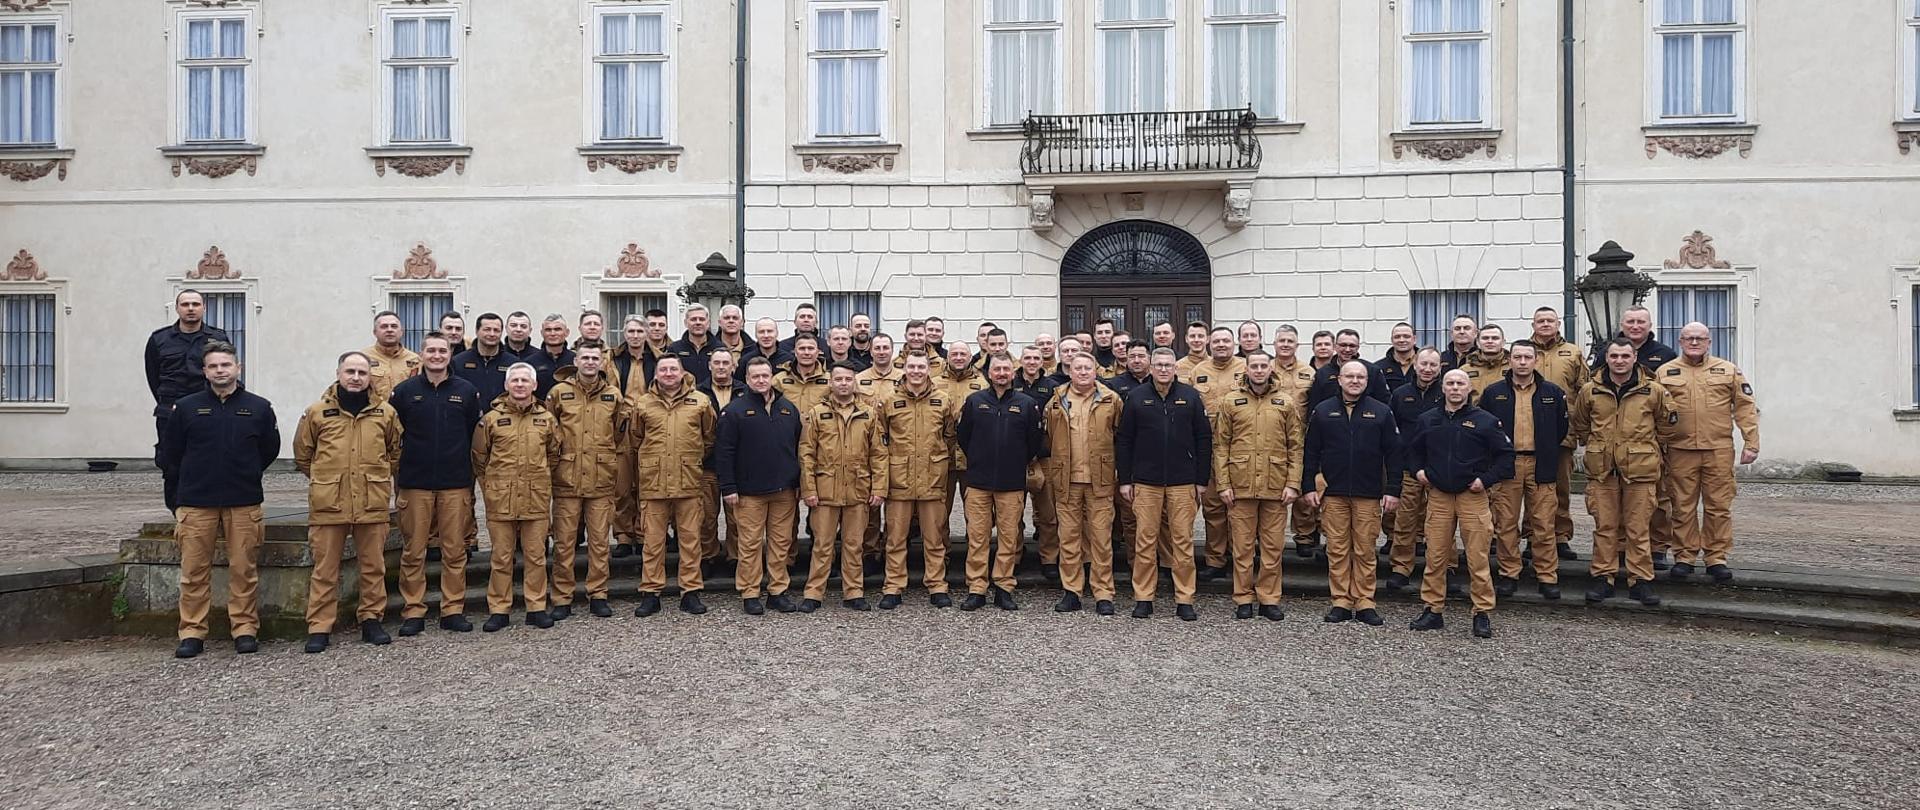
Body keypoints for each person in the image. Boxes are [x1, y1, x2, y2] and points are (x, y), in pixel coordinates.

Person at [161, 342, 277, 659]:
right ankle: (192, 632)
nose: (220, 370)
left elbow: (268, 449)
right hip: (197, 502)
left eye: (226, 365)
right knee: (193, 572)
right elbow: (172, 453)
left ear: (238, 368)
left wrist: (246, 472)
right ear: (205, 371)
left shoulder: (259, 407)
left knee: (244, 570)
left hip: (243, 500)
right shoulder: (186, 408)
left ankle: (244, 629)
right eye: (213, 366)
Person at [293, 351, 403, 653]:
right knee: (325, 568)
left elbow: (394, 453)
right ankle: (320, 626)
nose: (355, 378)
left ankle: (371, 620)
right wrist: (326, 479)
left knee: (373, 566)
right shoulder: (317, 412)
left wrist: (374, 477)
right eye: (350, 372)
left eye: (361, 373)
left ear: (369, 377)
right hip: (330, 503)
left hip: (371, 501)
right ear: (338, 374)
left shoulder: (385, 413)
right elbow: (303, 454)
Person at [1408, 369, 1514, 639]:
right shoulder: (1427, 419)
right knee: (1435, 556)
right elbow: (1412, 451)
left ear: (1469, 389)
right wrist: (1418, 472)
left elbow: (1505, 457)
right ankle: (1433, 609)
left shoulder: (1486, 421)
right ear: (1443, 388)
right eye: (1450, 383)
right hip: (1439, 496)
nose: (1455, 388)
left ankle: (1482, 612)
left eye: (1460, 383)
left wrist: (1485, 480)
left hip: (1472, 496)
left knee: (1478, 557)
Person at [389, 332, 482, 635]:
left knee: (454, 551)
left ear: (450, 354)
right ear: (421, 354)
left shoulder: (466, 391)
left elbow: (473, 433)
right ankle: (413, 610)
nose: (437, 356)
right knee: (413, 552)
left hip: (455, 483)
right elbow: (393, 434)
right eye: (431, 350)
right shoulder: (404, 392)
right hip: (415, 483)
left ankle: (452, 609)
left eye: (443, 351)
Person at [1573, 338, 1673, 607]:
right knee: (1604, 527)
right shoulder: (1590, 390)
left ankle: (1640, 580)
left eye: (1625, 356)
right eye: (1614, 356)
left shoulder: (1653, 390)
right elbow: (1581, 424)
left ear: (1634, 357)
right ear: (1607, 358)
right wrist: (1599, 447)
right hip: (1602, 471)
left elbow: (1666, 425)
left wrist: (1647, 450)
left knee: (1638, 527)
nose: (1619, 361)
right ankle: (1603, 577)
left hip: (1640, 470)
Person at [1301, 360, 1401, 627]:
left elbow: (1394, 454)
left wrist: (1393, 490)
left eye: (1360, 377)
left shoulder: (1381, 412)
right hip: (1333, 493)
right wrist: (1308, 486)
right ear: (1340, 380)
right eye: (1350, 376)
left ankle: (1365, 602)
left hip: (1368, 493)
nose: (1355, 381)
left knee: (1365, 549)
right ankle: (1341, 602)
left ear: (1367, 381)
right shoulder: (1323, 410)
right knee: (1337, 549)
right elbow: (1311, 452)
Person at [1657, 322, 1760, 583]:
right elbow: (1653, 410)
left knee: (1718, 506)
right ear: (1680, 342)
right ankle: (1685, 557)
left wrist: (1751, 442)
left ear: (1709, 342)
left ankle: (1716, 557)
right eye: (1689, 338)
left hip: (1718, 449)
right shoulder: (1665, 372)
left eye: (1700, 338)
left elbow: (1745, 407)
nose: (1694, 343)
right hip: (1679, 450)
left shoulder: (1727, 370)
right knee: (1682, 506)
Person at [1116, 348, 1212, 622]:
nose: (1163, 369)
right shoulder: (1136, 397)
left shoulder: (1190, 396)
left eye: (1168, 365)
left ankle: (1185, 598)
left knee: (1182, 541)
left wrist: (1201, 480)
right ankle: (1144, 597)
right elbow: (1125, 440)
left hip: (1183, 482)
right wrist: (1125, 480)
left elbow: (1204, 439)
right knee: (1145, 541)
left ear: (1175, 368)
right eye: (1158, 365)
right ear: (1150, 367)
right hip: (1146, 482)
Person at [1211, 350, 1303, 621]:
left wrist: (1293, 483)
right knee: (1242, 547)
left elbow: (1296, 446)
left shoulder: (1285, 402)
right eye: (1255, 366)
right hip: (1240, 485)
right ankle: (1243, 598)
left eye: (1264, 365)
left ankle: (1268, 599)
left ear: (1270, 368)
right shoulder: (1231, 401)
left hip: (1276, 485)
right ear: (1247, 369)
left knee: (1273, 548)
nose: (1259, 370)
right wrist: (1223, 484)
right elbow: (1221, 445)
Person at [471, 363, 561, 632]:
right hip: (502, 498)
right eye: (515, 380)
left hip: (535, 497)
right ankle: (499, 609)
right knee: (501, 557)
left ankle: (536, 607)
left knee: (536, 556)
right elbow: (480, 458)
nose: (520, 385)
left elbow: (553, 455)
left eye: (525, 380)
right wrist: (494, 485)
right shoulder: (491, 419)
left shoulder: (546, 419)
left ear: (534, 385)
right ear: (506, 385)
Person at [1479, 340, 1570, 599]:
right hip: (1507, 465)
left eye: (1527, 357)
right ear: (1510, 360)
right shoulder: (1493, 392)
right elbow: (1485, 428)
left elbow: (1561, 428)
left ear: (1536, 360)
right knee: (1505, 523)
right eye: (1517, 357)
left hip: (1541, 463)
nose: (1522, 362)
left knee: (1543, 523)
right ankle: (1509, 573)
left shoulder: (1552, 392)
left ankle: (1547, 575)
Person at [629, 355, 718, 617]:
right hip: (654, 483)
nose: (668, 373)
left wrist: (690, 459)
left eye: (673, 369)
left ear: (682, 373)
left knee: (690, 541)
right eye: (663, 369)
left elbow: (708, 438)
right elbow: (636, 439)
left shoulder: (700, 402)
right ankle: (651, 593)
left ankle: (690, 592)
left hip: (688, 482)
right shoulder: (643, 403)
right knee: (652, 542)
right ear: (656, 374)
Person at [954, 354, 1044, 612]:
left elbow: (1034, 441)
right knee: (977, 537)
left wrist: (1016, 461)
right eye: (997, 369)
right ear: (989, 373)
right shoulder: (974, 401)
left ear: (1013, 372)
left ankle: (1004, 587)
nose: (1002, 373)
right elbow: (963, 436)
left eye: (1006, 369)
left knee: (1009, 537)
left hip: (1011, 483)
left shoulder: (1027, 404)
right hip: (978, 481)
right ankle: (977, 588)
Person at [717, 357, 804, 614]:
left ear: (772, 377)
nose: (761, 380)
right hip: (748, 493)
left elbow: (799, 448)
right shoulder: (734, 411)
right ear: (746, 379)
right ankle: (750, 592)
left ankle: (777, 591)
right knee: (750, 545)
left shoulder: (788, 409)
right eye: (755, 376)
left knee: (781, 544)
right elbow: (724, 452)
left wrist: (798, 482)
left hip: (783, 491)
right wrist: (729, 487)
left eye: (765, 375)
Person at [544, 340, 623, 621]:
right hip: (567, 478)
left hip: (601, 479)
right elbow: (549, 431)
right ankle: (562, 596)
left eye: (594, 358)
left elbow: (619, 432)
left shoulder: (613, 395)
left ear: (602, 363)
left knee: (599, 542)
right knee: (564, 543)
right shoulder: (558, 393)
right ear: (575, 361)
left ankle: (598, 594)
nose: (590, 362)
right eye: (585, 358)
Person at [799, 362, 887, 612]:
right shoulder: (817, 413)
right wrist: (809, 489)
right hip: (825, 491)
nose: (843, 383)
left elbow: (878, 454)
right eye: (838, 379)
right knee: (822, 545)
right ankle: (814, 593)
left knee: (854, 544)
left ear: (854, 382)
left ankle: (854, 592)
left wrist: (879, 488)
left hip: (858, 490)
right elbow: (806, 454)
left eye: (848, 379)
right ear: (831, 382)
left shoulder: (868, 414)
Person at [1042, 353, 1123, 615]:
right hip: (1067, 480)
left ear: (1095, 370)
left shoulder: (1111, 399)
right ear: (1070, 371)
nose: (1083, 372)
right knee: (1069, 538)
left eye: (1088, 367)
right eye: (1078, 368)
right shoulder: (1056, 400)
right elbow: (1049, 435)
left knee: (1101, 539)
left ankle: (1103, 593)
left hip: (1100, 479)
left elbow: (1120, 435)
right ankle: (1072, 591)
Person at [878, 352, 959, 608]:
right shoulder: (890, 401)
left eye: (921, 367)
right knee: (895, 538)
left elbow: (949, 436)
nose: (916, 371)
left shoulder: (942, 400)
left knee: (935, 538)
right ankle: (893, 586)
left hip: (932, 478)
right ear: (904, 368)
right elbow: (881, 438)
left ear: (928, 369)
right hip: (899, 479)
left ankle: (937, 585)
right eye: (911, 366)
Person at [146, 289, 232, 513]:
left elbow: (224, 372)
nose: (191, 309)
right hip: (170, 411)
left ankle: (209, 509)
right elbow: (153, 377)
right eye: (185, 304)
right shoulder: (159, 339)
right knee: (171, 461)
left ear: (204, 308)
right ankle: (177, 512)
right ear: (177, 309)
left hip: (207, 410)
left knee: (210, 459)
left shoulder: (218, 338)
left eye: (195, 304)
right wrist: (170, 404)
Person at [1527, 307, 1590, 563]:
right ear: (1533, 324)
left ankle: (1561, 536)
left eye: (1549, 320)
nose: (1545, 324)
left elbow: (1584, 392)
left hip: (1562, 432)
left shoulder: (1573, 353)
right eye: (1540, 320)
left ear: (1558, 324)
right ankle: (1532, 536)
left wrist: (1580, 429)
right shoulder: (1522, 352)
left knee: (1561, 487)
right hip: (1528, 431)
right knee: (1531, 488)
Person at [1186, 326, 1247, 583]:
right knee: (1213, 509)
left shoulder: (1247, 368)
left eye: (1226, 340)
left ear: (1234, 343)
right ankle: (1215, 560)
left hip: (1241, 450)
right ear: (1210, 344)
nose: (1221, 344)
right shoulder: (1199, 371)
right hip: (1210, 449)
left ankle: (1240, 559)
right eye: (1217, 341)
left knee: (1240, 508)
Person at [1383, 348, 1444, 592]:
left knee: (1440, 523)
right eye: (1424, 364)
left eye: (1433, 365)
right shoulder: (1400, 394)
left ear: (1440, 368)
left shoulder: (1447, 392)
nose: (1428, 369)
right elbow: (1392, 432)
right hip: (1409, 469)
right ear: (1415, 365)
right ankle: (1400, 568)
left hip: (1440, 471)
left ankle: (1445, 568)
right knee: (1405, 521)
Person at [698, 349, 742, 571]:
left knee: (737, 518)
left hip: (738, 465)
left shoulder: (745, 391)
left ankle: (736, 558)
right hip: (708, 464)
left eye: (726, 363)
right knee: (706, 517)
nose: (721, 367)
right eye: (717, 363)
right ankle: (708, 557)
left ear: (734, 366)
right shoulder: (698, 392)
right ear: (710, 366)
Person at [1307, 329, 1390, 407]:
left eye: (1352, 346)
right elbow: (1314, 405)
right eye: (1343, 345)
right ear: (1335, 347)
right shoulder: (1323, 373)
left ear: (1358, 348)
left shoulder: (1372, 371)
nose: (1347, 349)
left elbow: (1384, 403)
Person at [452, 312, 513, 406]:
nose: (492, 334)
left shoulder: (513, 364)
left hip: (502, 414)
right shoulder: (458, 362)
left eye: (496, 330)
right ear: (476, 331)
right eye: (487, 329)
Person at [364, 310, 422, 403]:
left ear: (401, 331)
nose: (389, 330)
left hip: (405, 410)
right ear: (375, 332)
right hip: (374, 410)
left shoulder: (415, 360)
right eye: (384, 326)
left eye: (394, 326)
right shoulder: (363, 358)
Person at [665, 303, 717, 385]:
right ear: (686, 323)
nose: (698, 322)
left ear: (708, 323)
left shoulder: (719, 348)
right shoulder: (674, 349)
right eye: (693, 319)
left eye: (702, 319)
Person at [525, 314, 575, 398]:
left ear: (567, 332)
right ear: (542, 333)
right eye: (548, 330)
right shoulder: (530, 363)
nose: (553, 333)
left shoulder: (576, 360)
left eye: (557, 329)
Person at [1462, 324, 1511, 399]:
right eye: (1485, 338)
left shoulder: (1513, 368)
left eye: (1495, 338)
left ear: (1503, 342)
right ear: (1478, 342)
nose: (1490, 341)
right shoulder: (1464, 370)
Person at [1378, 322, 1419, 392]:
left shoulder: (1426, 365)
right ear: (1392, 340)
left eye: (1406, 336)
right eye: (1397, 337)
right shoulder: (1379, 368)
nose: (1401, 340)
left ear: (1414, 339)